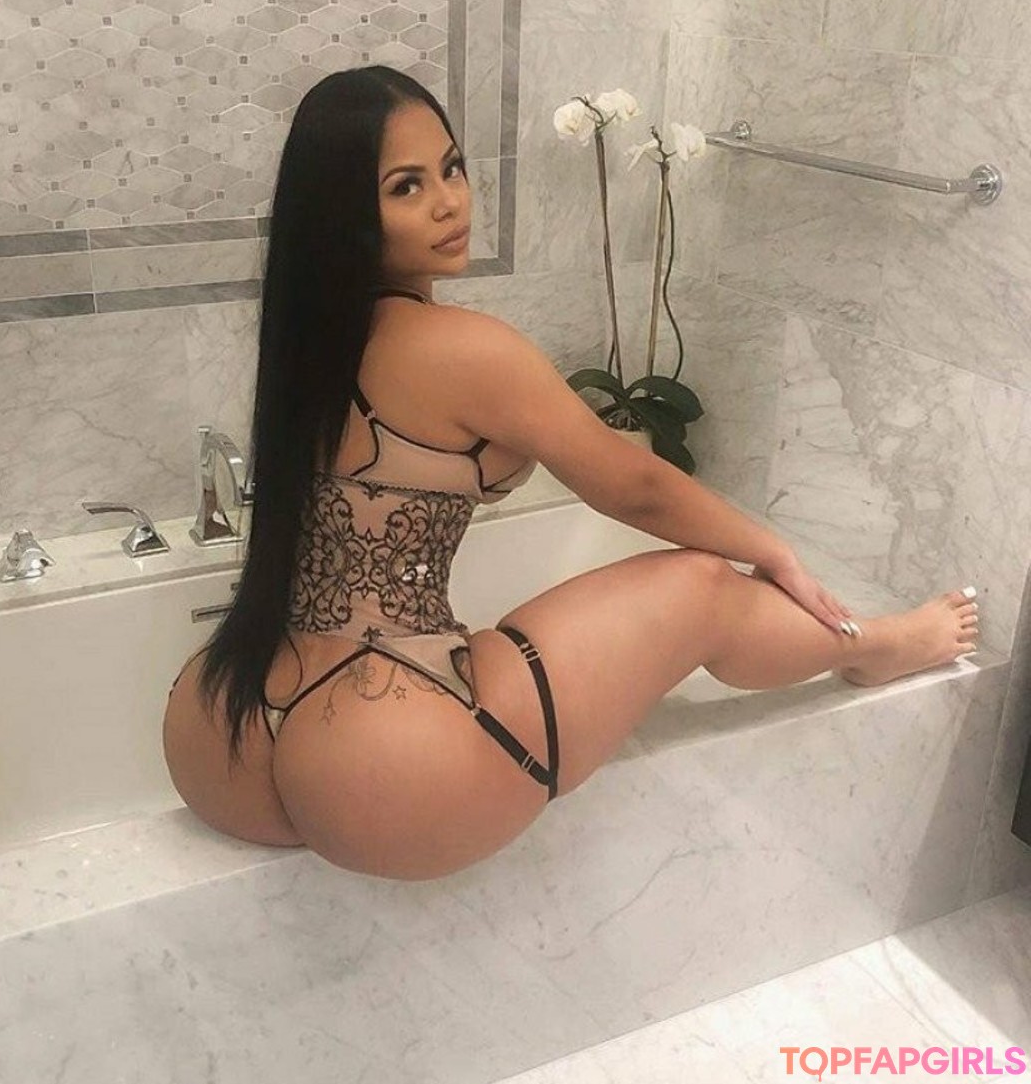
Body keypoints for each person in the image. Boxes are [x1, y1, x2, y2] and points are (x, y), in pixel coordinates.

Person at [162, 65, 981, 881]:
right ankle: (875, 646)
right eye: (405, 187)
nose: (450, 203)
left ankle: (870, 644)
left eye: (452, 168)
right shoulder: (462, 349)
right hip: (387, 755)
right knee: (704, 586)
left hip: (227, 729)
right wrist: (772, 550)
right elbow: (635, 485)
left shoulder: (303, 343)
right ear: (344, 216)